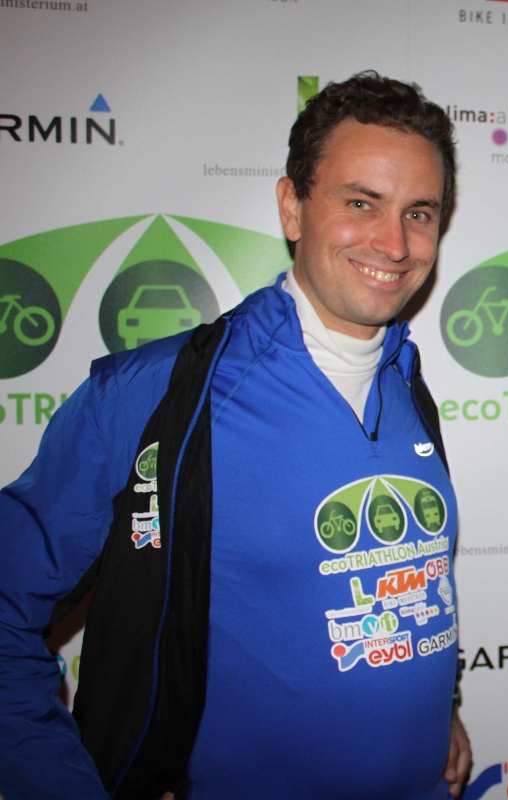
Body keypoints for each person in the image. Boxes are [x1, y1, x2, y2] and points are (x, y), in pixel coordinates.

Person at [0, 72, 471, 799]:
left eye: (420, 212)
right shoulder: (156, 395)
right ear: (293, 207)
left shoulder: (405, 382)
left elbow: (400, 589)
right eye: (360, 203)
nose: (394, 241)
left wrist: (439, 706)